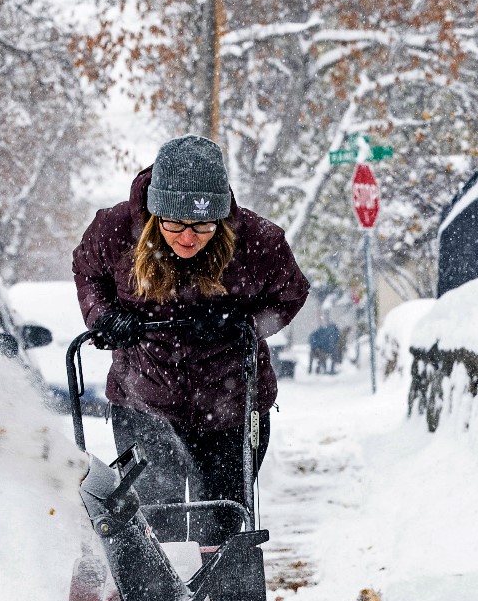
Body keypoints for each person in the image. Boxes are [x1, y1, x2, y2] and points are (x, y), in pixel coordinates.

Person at [73, 135, 309, 544]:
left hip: (230, 405)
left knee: (218, 525)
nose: (187, 238)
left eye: (202, 226)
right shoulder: (114, 231)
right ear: (153, 213)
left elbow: (290, 294)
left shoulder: (260, 242)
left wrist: (243, 324)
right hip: (143, 400)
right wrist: (104, 318)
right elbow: (87, 272)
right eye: (175, 225)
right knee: (153, 525)